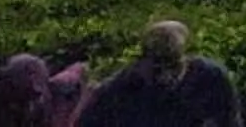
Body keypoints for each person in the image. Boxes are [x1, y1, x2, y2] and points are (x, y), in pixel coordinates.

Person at [73, 25, 237, 127]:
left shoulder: (211, 79)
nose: (165, 76)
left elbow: (229, 122)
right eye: (157, 68)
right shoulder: (118, 90)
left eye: (173, 66)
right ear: (142, 62)